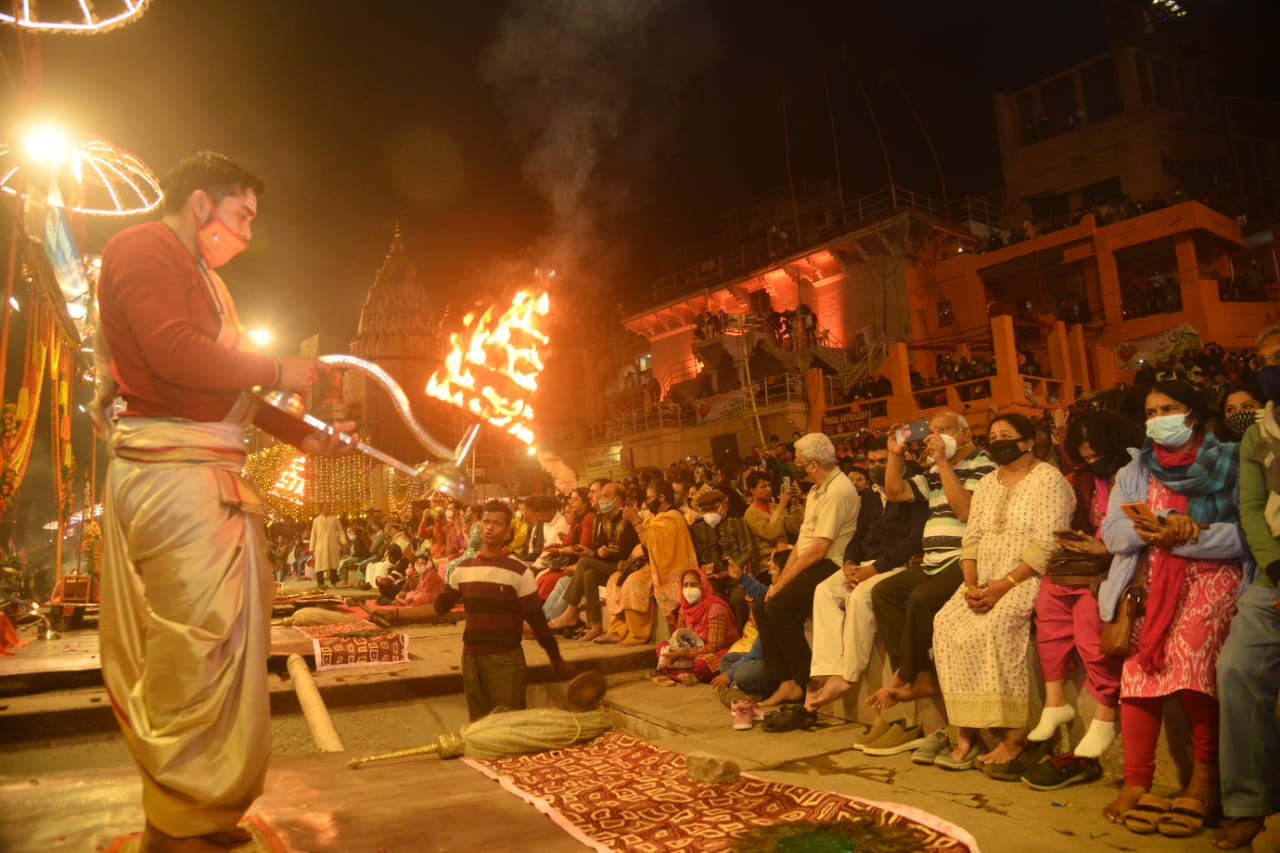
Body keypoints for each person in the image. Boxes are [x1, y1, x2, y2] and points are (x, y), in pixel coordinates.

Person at [94, 151, 354, 852]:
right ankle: (175, 821)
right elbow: (175, 355)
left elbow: (226, 391)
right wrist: (280, 367)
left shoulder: (205, 279)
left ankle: (200, 811)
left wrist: (309, 436)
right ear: (201, 204)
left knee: (226, 642)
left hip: (206, 468)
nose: (245, 233)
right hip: (173, 472)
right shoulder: (144, 247)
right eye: (242, 215)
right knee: (192, 644)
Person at [1099, 381, 1248, 837]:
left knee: (1193, 653)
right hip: (1150, 581)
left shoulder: (1230, 461)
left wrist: (1192, 534)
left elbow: (1247, 532)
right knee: (1138, 673)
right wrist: (1155, 531)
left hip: (1211, 573)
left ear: (1194, 414)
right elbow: (1112, 531)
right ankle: (1137, 781)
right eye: (1151, 411)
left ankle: (1205, 780)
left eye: (1169, 408)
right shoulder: (1136, 468)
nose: (1158, 418)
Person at [932, 413, 1076, 779]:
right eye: (993, 435)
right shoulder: (987, 484)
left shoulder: (1048, 479)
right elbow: (973, 537)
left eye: (1006, 435)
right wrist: (970, 584)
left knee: (994, 628)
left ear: (1028, 442)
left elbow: (1048, 540)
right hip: (983, 579)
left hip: (1025, 578)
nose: (998, 440)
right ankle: (966, 731)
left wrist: (1004, 584)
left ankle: (1014, 736)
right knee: (946, 623)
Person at [1023, 411, 1140, 790]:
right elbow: (1087, 519)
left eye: (1097, 455)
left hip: (1124, 565)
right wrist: (1078, 540)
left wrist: (1104, 548)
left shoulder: (1137, 474)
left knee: (1091, 622)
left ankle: (1105, 714)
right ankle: (1056, 702)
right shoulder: (1086, 479)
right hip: (1093, 559)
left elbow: (1137, 532)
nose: (1092, 463)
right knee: (1049, 599)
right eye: (1085, 457)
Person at [867, 412, 994, 716]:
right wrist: (896, 456)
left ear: (964, 434)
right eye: (932, 431)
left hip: (964, 559)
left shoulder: (983, 463)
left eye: (944, 430)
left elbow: (965, 511)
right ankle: (920, 674)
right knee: (883, 593)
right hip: (933, 561)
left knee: (920, 600)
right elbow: (896, 492)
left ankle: (902, 675)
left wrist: (942, 463)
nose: (934, 437)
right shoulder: (935, 470)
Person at [397, 502, 572, 720]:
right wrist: (396, 615)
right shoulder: (463, 569)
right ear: (479, 527)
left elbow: (537, 620)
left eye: (497, 524)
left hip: (505, 660)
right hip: (471, 658)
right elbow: (438, 608)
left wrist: (555, 658)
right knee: (479, 726)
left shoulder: (518, 571)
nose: (489, 527)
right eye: (486, 522)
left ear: (508, 532)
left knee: (509, 724)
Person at [1213, 326, 1280, 850]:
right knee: (1236, 665)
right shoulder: (1259, 435)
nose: (1270, 366)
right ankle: (1249, 803)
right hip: (1274, 569)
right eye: (1264, 361)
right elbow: (1252, 510)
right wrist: (1275, 569)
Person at [756, 432, 860, 710]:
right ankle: (786, 681)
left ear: (813, 465)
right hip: (813, 558)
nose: (796, 468)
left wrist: (782, 586)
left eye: (799, 463)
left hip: (833, 563)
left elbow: (818, 550)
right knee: (761, 603)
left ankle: (807, 681)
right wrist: (778, 580)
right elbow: (802, 543)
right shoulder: (816, 491)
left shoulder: (838, 491)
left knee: (778, 607)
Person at [653, 568, 740, 686]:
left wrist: (681, 654)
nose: (688, 590)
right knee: (662, 648)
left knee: (701, 666)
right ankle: (684, 675)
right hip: (690, 650)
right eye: (685, 585)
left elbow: (714, 646)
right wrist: (675, 650)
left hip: (716, 652)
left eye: (693, 585)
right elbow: (680, 636)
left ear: (702, 586)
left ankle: (672, 673)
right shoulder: (684, 609)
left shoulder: (716, 609)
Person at [309, 504, 347, 589]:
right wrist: (311, 547)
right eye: (327, 507)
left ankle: (334, 582)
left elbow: (340, 531)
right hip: (320, 546)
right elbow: (313, 535)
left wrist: (343, 541)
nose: (329, 508)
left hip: (332, 544)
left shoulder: (334, 519)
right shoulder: (316, 520)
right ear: (322, 508)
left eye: (329, 507)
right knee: (319, 566)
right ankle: (320, 584)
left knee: (333, 564)